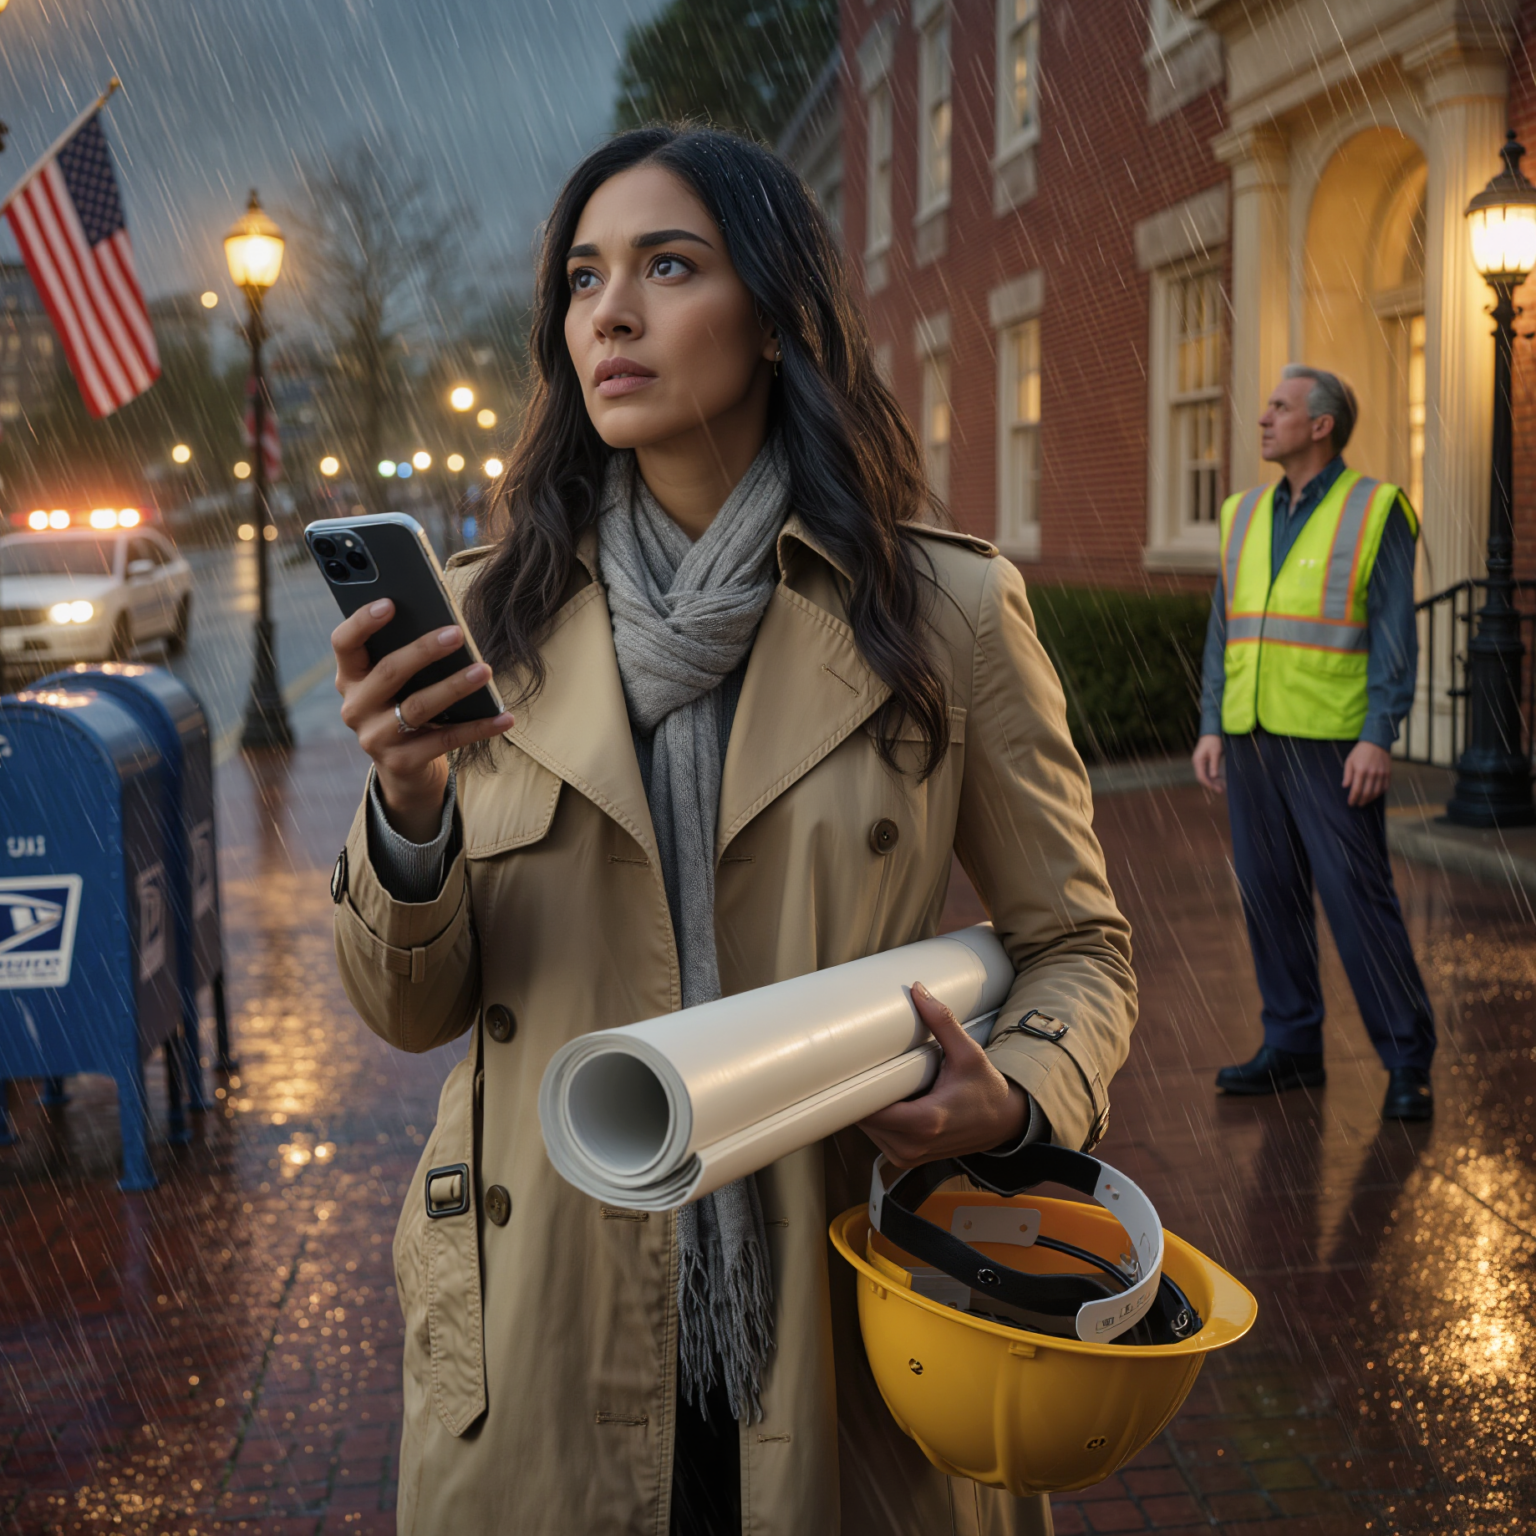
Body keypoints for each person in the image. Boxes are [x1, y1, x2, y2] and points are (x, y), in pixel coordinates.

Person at [328, 125, 1136, 1536]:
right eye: (583, 279)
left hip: (846, 1301)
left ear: (774, 318)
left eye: (668, 265)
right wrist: (407, 808)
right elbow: (413, 1010)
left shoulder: (940, 614)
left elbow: (1079, 947)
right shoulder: (484, 620)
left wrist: (1011, 1099)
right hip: (542, 1318)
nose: (611, 313)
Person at [1191, 365, 1434, 1122]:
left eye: (1280, 407)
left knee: (1358, 903)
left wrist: (1378, 734)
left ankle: (1406, 1059)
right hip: (1253, 735)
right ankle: (1292, 1044)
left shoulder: (1377, 510)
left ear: (1321, 425)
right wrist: (1210, 721)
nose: (1263, 418)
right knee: (1269, 897)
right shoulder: (1241, 513)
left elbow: (1396, 632)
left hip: (1333, 745)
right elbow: (1224, 627)